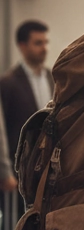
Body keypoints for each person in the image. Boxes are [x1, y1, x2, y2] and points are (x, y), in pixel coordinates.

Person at [0, 19, 53, 156]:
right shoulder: (7, 83)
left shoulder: (53, 78)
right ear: (22, 46)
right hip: (19, 162)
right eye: (38, 43)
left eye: (45, 42)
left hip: (48, 162)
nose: (44, 48)